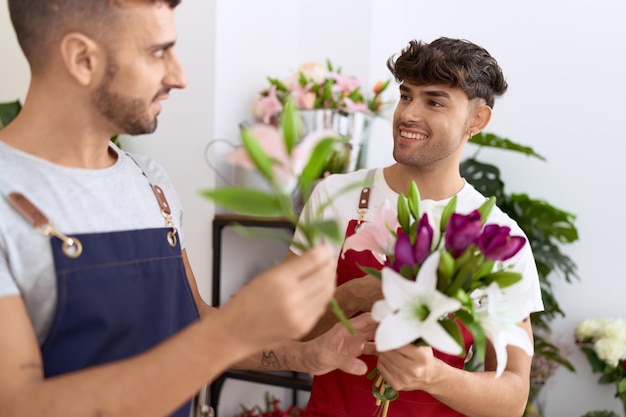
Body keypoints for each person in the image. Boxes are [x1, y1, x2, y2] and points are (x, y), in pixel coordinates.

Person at [0, 1, 379, 417]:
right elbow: (21, 405)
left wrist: (302, 356)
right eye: (157, 52)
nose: (179, 76)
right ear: (82, 59)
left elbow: (192, 323)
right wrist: (234, 331)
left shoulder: (150, 182)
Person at [290, 37, 544, 416]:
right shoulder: (335, 196)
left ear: (478, 120)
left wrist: (434, 376)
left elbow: (511, 397)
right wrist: (350, 298)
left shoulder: (497, 238)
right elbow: (284, 336)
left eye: (434, 101)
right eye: (406, 96)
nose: (409, 113)